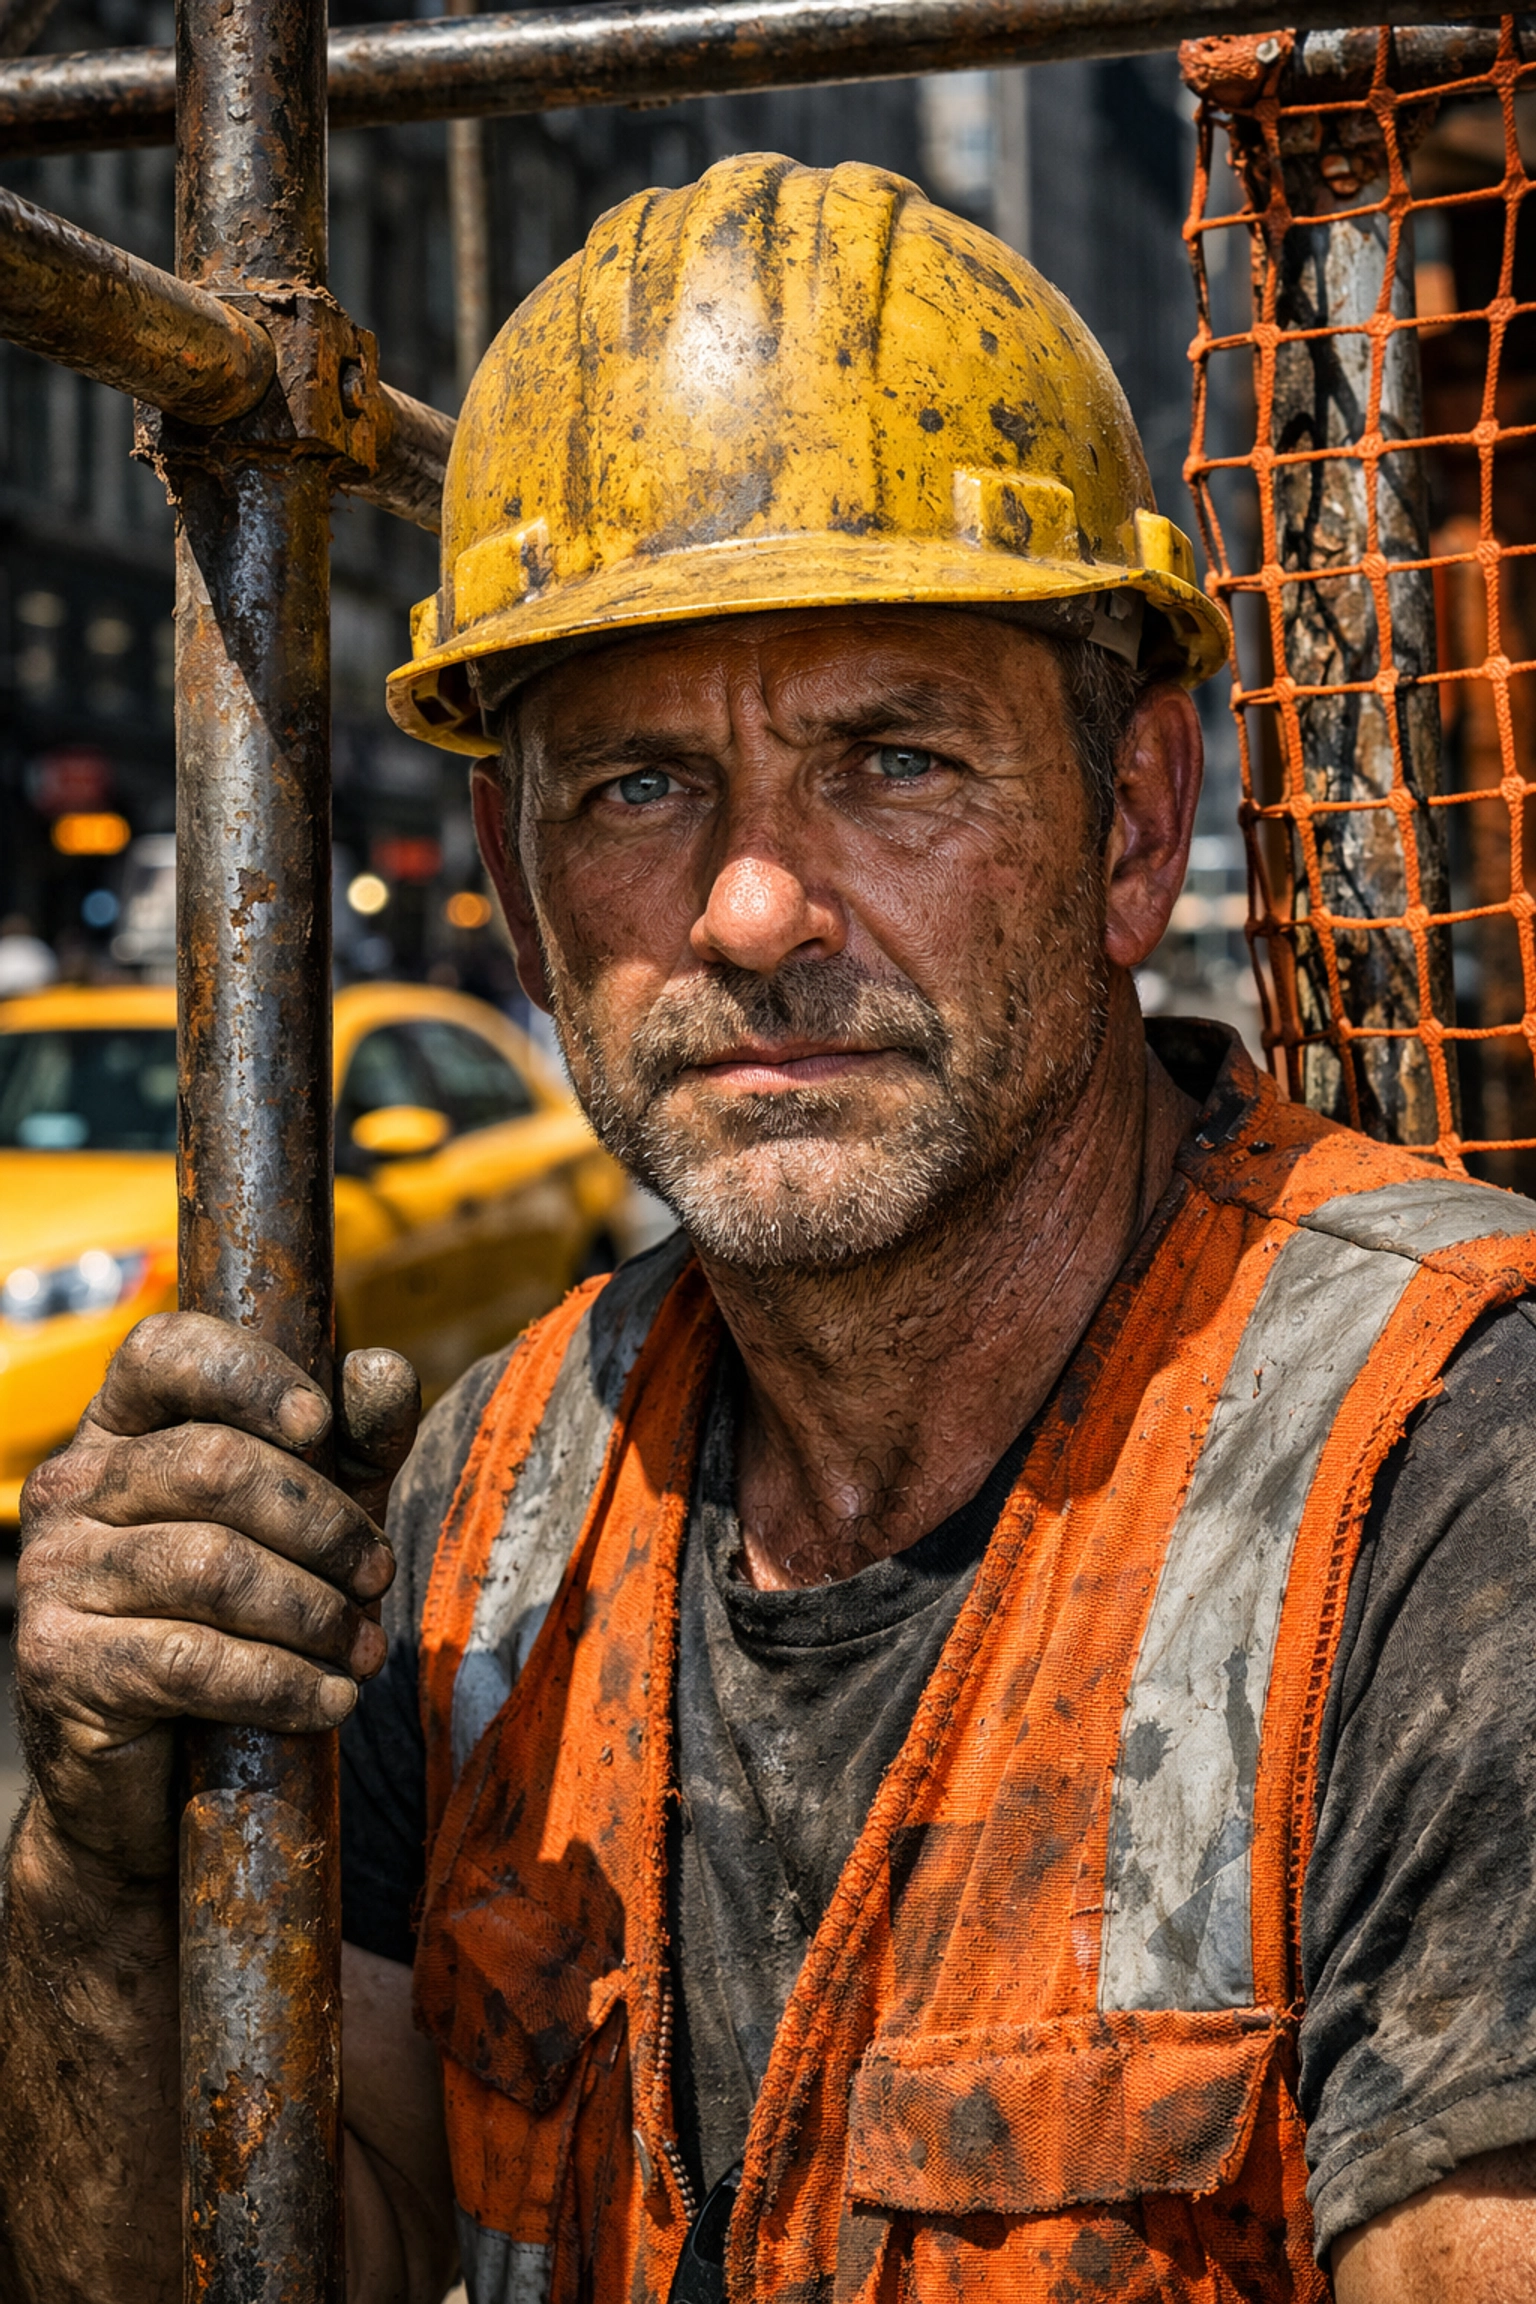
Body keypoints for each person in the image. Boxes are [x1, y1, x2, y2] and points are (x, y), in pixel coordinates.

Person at [6, 155, 1536, 2304]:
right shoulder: (495, 1504)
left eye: (892, 761)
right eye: (638, 788)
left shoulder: (1447, 1486)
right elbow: (264, 2256)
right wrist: (92, 1856)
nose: (748, 911)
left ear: (1132, 827)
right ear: (529, 908)